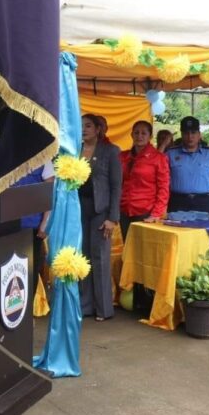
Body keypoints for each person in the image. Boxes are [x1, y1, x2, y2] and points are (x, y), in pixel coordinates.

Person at [78, 114, 122, 321]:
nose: (83, 129)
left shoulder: (111, 151)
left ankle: (104, 309)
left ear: (98, 129)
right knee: (82, 257)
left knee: (100, 258)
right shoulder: (74, 151)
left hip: (100, 211)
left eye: (88, 126)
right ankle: (85, 306)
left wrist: (112, 218)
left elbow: (116, 186)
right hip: (79, 210)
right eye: (81, 126)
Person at [119, 120, 170, 237]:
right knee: (128, 248)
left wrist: (156, 214)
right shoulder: (123, 156)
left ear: (150, 136)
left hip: (146, 211)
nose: (139, 136)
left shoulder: (158, 158)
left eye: (143, 133)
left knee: (144, 250)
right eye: (136, 133)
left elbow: (164, 188)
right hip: (124, 209)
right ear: (131, 135)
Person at [12, 162, 54, 302]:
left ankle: (28, 312)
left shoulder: (44, 158)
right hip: (7, 226)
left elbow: (50, 191)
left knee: (30, 270)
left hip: (33, 226)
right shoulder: (8, 155)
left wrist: (45, 223)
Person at [166, 116, 209, 216]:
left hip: (204, 202)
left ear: (199, 134)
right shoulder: (170, 154)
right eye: (186, 133)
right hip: (178, 202)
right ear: (181, 135)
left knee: (205, 231)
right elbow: (163, 181)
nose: (190, 137)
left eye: (193, 133)